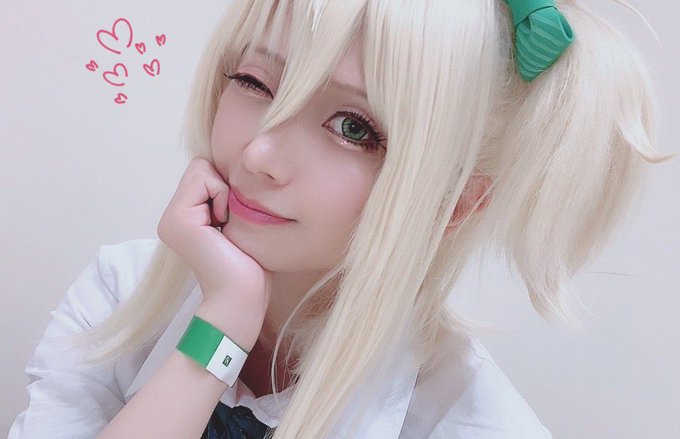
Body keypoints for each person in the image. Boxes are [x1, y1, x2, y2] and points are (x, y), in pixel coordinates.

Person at [8, 0, 676, 438]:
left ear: (453, 203)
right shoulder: (118, 295)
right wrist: (222, 327)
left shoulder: (470, 423)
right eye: (255, 83)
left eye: (353, 126)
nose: (259, 153)